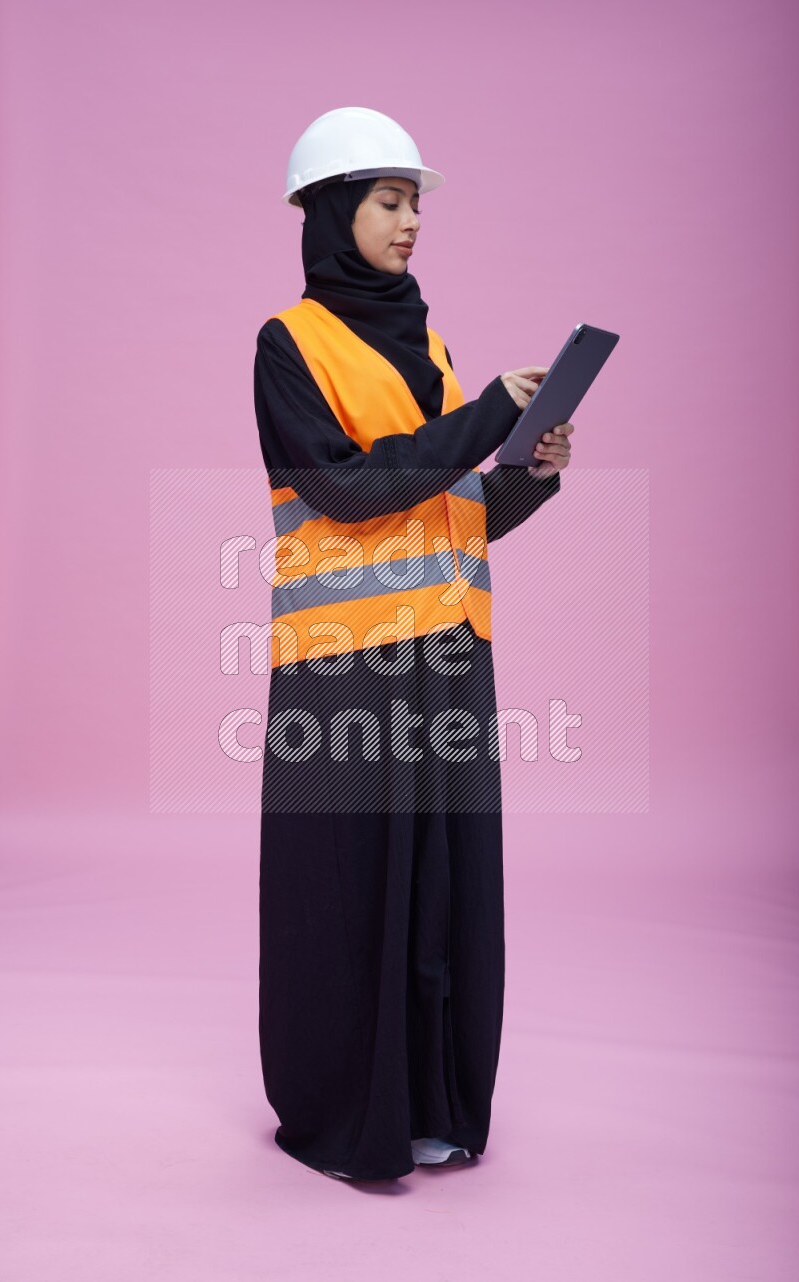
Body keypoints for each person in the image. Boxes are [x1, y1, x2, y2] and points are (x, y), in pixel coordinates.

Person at [253, 107, 573, 1182]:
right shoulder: (286, 344)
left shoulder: (429, 344)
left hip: (447, 656)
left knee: (441, 884)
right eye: (389, 201)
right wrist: (484, 419)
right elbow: (344, 486)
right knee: (351, 887)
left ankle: (431, 1103)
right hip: (346, 668)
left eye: (415, 204)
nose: (409, 222)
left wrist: (526, 467)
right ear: (333, 211)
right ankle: (348, 1112)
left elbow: (447, 511)